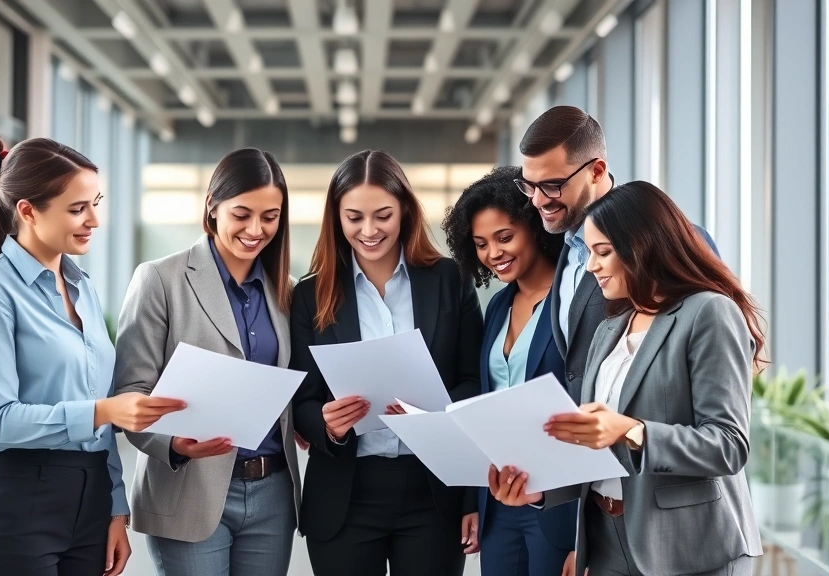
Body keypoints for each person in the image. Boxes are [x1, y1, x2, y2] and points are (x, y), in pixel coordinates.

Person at [490, 181, 764, 576]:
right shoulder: (611, 327)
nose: (591, 266)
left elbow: (728, 446)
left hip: (686, 546)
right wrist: (538, 491)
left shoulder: (709, 313)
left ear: (643, 247)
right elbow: (598, 453)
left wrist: (631, 430)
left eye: (603, 252)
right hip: (607, 538)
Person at [0, 137, 186, 576]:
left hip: (90, 499)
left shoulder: (84, 289)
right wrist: (102, 410)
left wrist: (115, 508)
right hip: (13, 502)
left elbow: (100, 425)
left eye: (95, 203)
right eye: (77, 208)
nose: (94, 220)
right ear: (27, 211)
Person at [290, 150, 482, 576]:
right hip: (345, 495)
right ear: (336, 218)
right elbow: (301, 400)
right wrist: (327, 424)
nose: (369, 230)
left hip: (433, 493)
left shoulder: (450, 280)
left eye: (383, 215)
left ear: (405, 212)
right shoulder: (309, 295)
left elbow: (474, 380)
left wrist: (437, 414)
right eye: (354, 217)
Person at [113, 148, 303, 576]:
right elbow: (129, 393)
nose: (256, 229)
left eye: (270, 216)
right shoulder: (160, 279)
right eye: (242, 214)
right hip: (188, 487)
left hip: (272, 492)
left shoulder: (288, 291)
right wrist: (174, 444)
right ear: (212, 207)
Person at [441, 166, 575, 576]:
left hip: (558, 501)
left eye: (504, 237)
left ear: (535, 227)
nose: (493, 253)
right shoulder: (498, 306)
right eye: (481, 244)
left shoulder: (573, 298)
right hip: (499, 500)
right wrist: (474, 500)